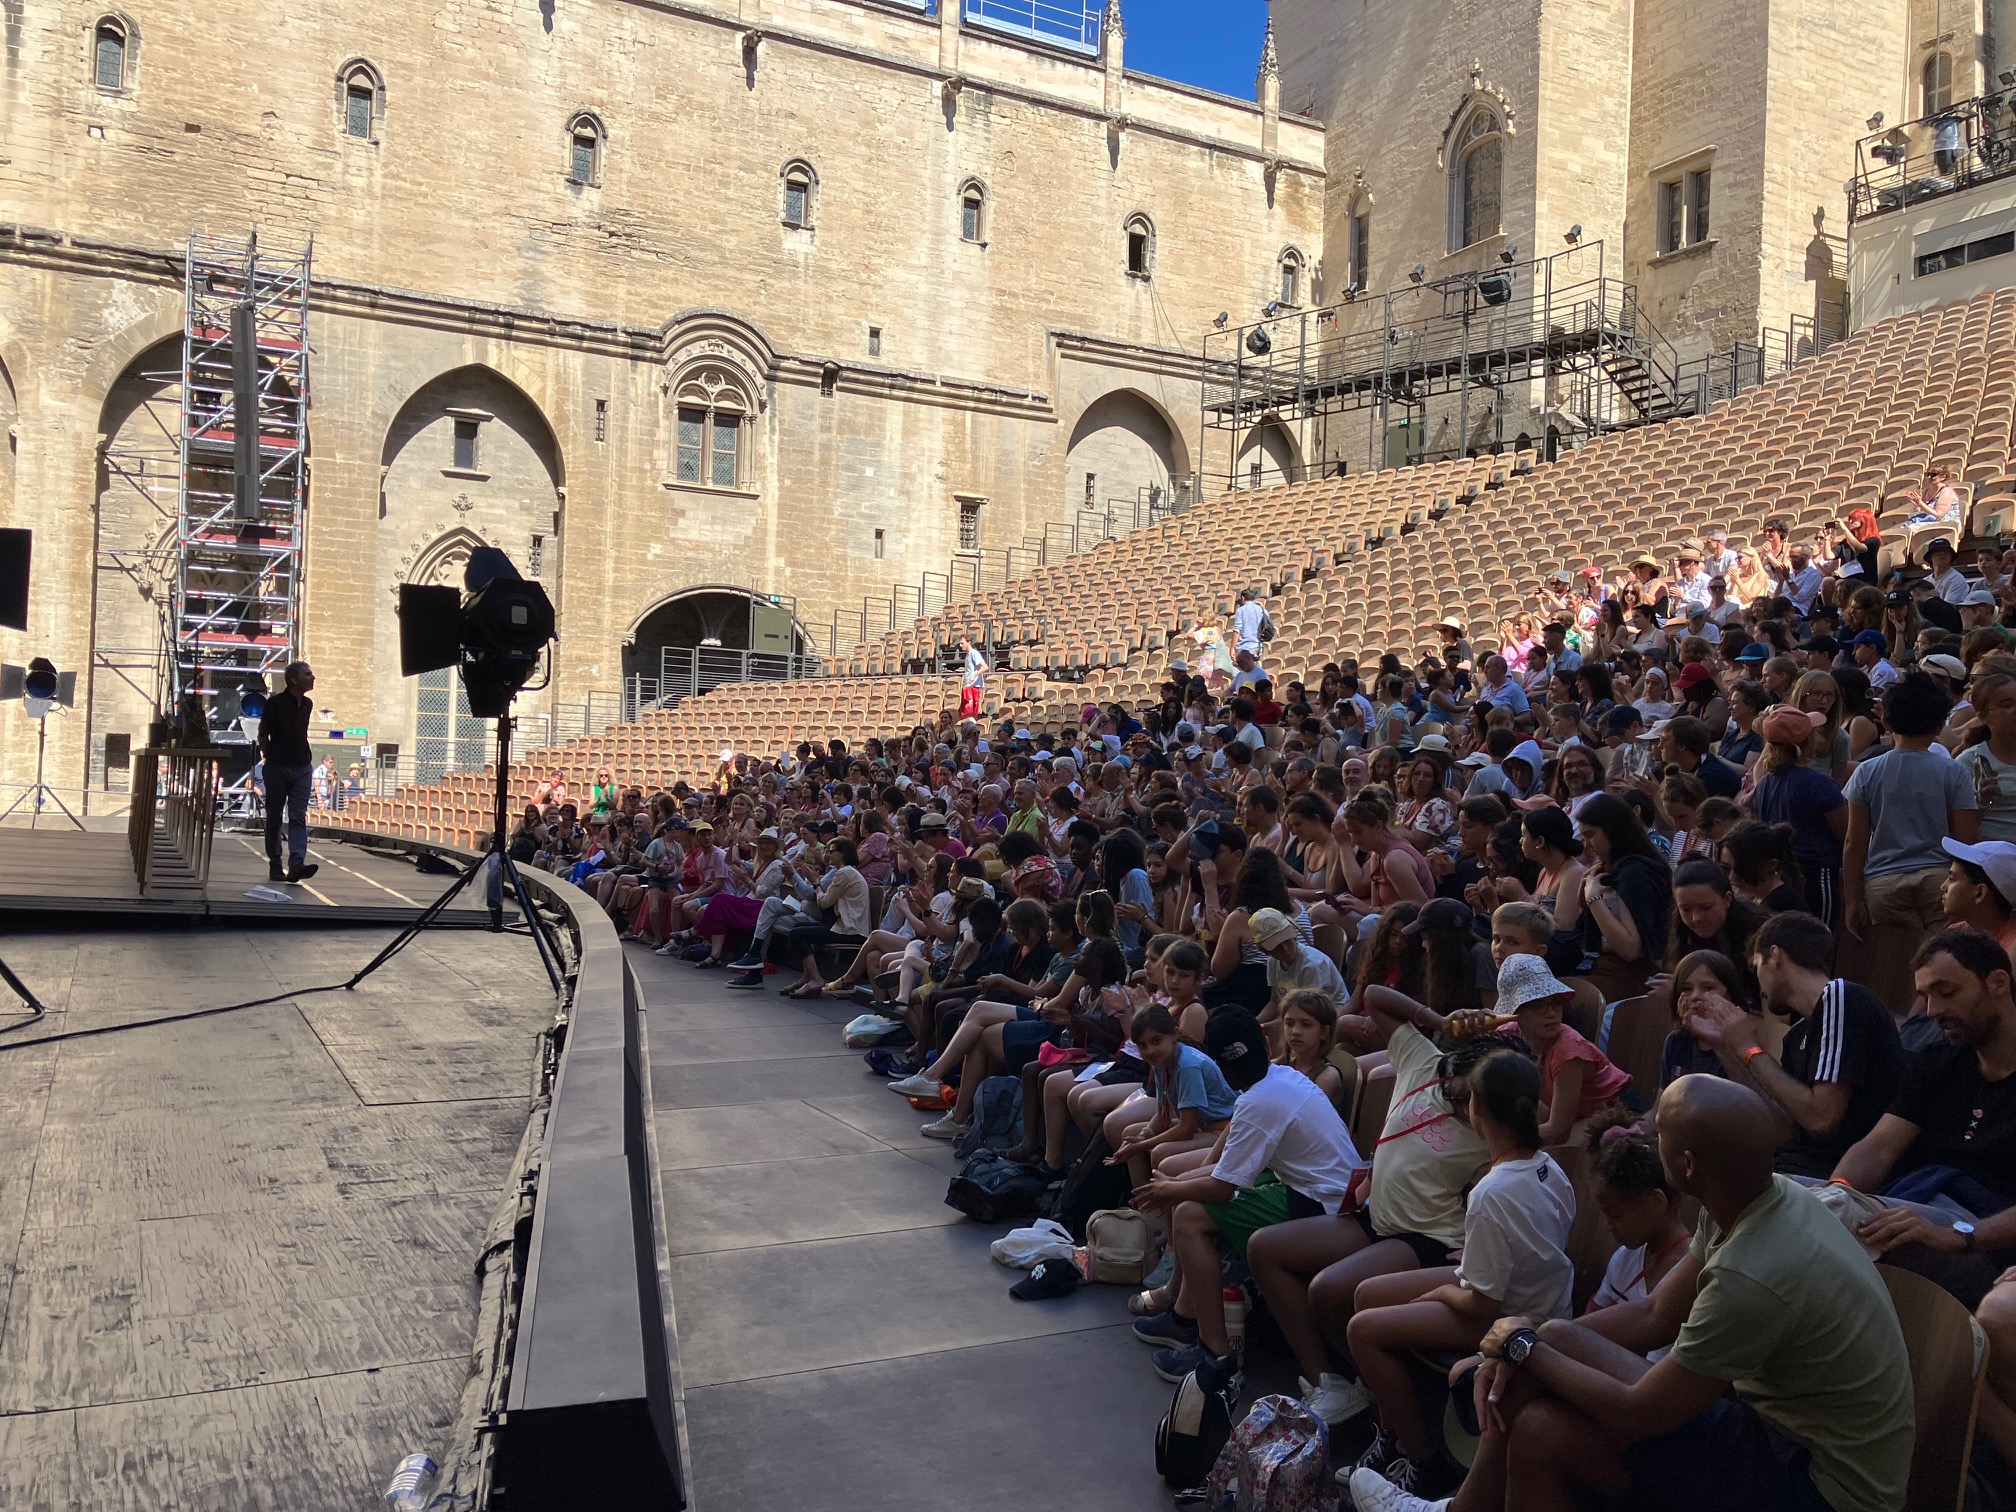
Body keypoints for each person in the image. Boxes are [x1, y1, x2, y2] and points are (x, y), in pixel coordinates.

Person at [1346, 1075, 1913, 1512]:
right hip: (1780, 1436)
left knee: (1541, 1422)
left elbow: (1640, 1415)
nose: (1647, 1133)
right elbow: (1651, 1316)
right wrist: (1526, 1343)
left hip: (1818, 1485)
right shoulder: (1761, 1196)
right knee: (1557, 1333)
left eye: (1660, 1132)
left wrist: (1521, 1349)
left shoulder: (1753, 1274)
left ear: (1686, 1165)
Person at [1345, 1047, 1577, 1497]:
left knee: (1362, 1330)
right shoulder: (1550, 1167)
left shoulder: (1491, 1192)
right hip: (1520, 1289)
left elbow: (1481, 1304)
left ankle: (1421, 1457)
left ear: (1477, 1110)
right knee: (1366, 1293)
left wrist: (1439, 1295)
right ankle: (1392, 1428)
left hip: (1510, 1314)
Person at [1131, 1010, 1363, 1389]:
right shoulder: (1282, 1076)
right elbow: (1223, 1169)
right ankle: (1184, 1314)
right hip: (1321, 1189)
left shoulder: (1259, 1102)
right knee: (1188, 1196)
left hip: (1323, 1203)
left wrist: (1170, 1190)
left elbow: (1221, 1188)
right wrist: (1173, 1184)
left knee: (1190, 1216)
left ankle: (1216, 1353)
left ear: (1220, 1068)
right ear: (1268, 1045)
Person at [1828, 928, 2016, 1307]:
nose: (1932, 1011)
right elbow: (1878, 1147)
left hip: (1985, 1241)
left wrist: (1964, 1235)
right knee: (1774, 1194)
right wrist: (1836, 1190)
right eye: (1925, 997)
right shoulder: (1938, 1062)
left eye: (1946, 993)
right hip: (1917, 1209)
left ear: (1998, 982)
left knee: (1800, 1216)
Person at [1684, 909, 1903, 1177]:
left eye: (1756, 967)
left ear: (1774, 956)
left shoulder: (1840, 996)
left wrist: (1747, 1046)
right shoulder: (1797, 1034)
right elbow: (1783, 1131)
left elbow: (1821, 1119)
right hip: (1792, 1169)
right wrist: (1725, 1047)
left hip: (1834, 1177)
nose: (1759, 984)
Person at [1843, 672, 1980, 946]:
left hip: (1884, 881)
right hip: (1940, 880)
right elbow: (1967, 839)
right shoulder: (1953, 772)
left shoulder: (1866, 772)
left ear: (1885, 722)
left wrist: (1852, 899)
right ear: (1940, 727)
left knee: (1897, 964)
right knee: (1945, 955)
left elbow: (1854, 842)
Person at [256, 660, 320, 884]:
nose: (313, 678)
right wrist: (269, 758)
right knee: (274, 815)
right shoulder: (275, 703)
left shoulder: (308, 704)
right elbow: (263, 733)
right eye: (308, 674)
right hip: (278, 765)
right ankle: (275, 863)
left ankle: (296, 865)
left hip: (302, 766)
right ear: (293, 679)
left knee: (297, 816)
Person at [958, 636, 987, 721]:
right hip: (968, 685)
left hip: (972, 686)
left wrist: (974, 675)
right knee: (965, 712)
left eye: (962, 643)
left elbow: (985, 667)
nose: (960, 645)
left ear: (969, 642)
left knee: (969, 712)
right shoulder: (968, 655)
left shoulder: (974, 653)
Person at [1233, 586, 1267, 656]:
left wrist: (1233, 648)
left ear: (1242, 598)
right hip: (1258, 646)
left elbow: (1237, 630)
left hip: (1245, 647)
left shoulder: (1241, 610)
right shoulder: (1263, 610)